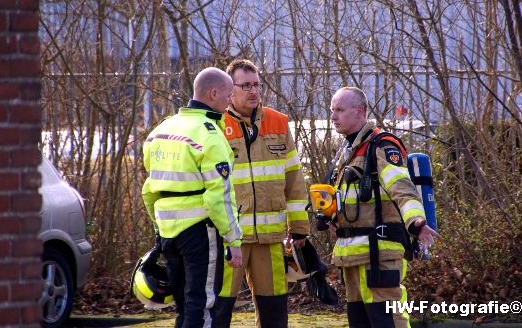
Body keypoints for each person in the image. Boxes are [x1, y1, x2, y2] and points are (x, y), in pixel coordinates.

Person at [326, 87, 438, 328]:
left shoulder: (381, 146)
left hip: (379, 255)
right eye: (332, 110)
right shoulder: (347, 153)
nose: (333, 116)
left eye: (340, 110)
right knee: (361, 323)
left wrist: (416, 222)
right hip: (353, 258)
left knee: (388, 321)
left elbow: (402, 188)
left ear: (359, 111)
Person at [141, 67, 243, 328]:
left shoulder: (160, 131)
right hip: (200, 232)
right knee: (203, 306)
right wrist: (234, 238)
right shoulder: (210, 136)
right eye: (229, 94)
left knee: (184, 307)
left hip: (168, 232)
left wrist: (159, 229)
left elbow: (149, 189)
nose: (231, 101)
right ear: (213, 93)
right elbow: (218, 197)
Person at [213, 59, 310, 328]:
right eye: (245, 85)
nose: (253, 91)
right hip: (230, 238)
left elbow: (294, 178)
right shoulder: (215, 126)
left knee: (274, 312)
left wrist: (299, 226)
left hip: (270, 238)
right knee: (218, 309)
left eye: (256, 84)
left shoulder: (278, 123)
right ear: (229, 89)